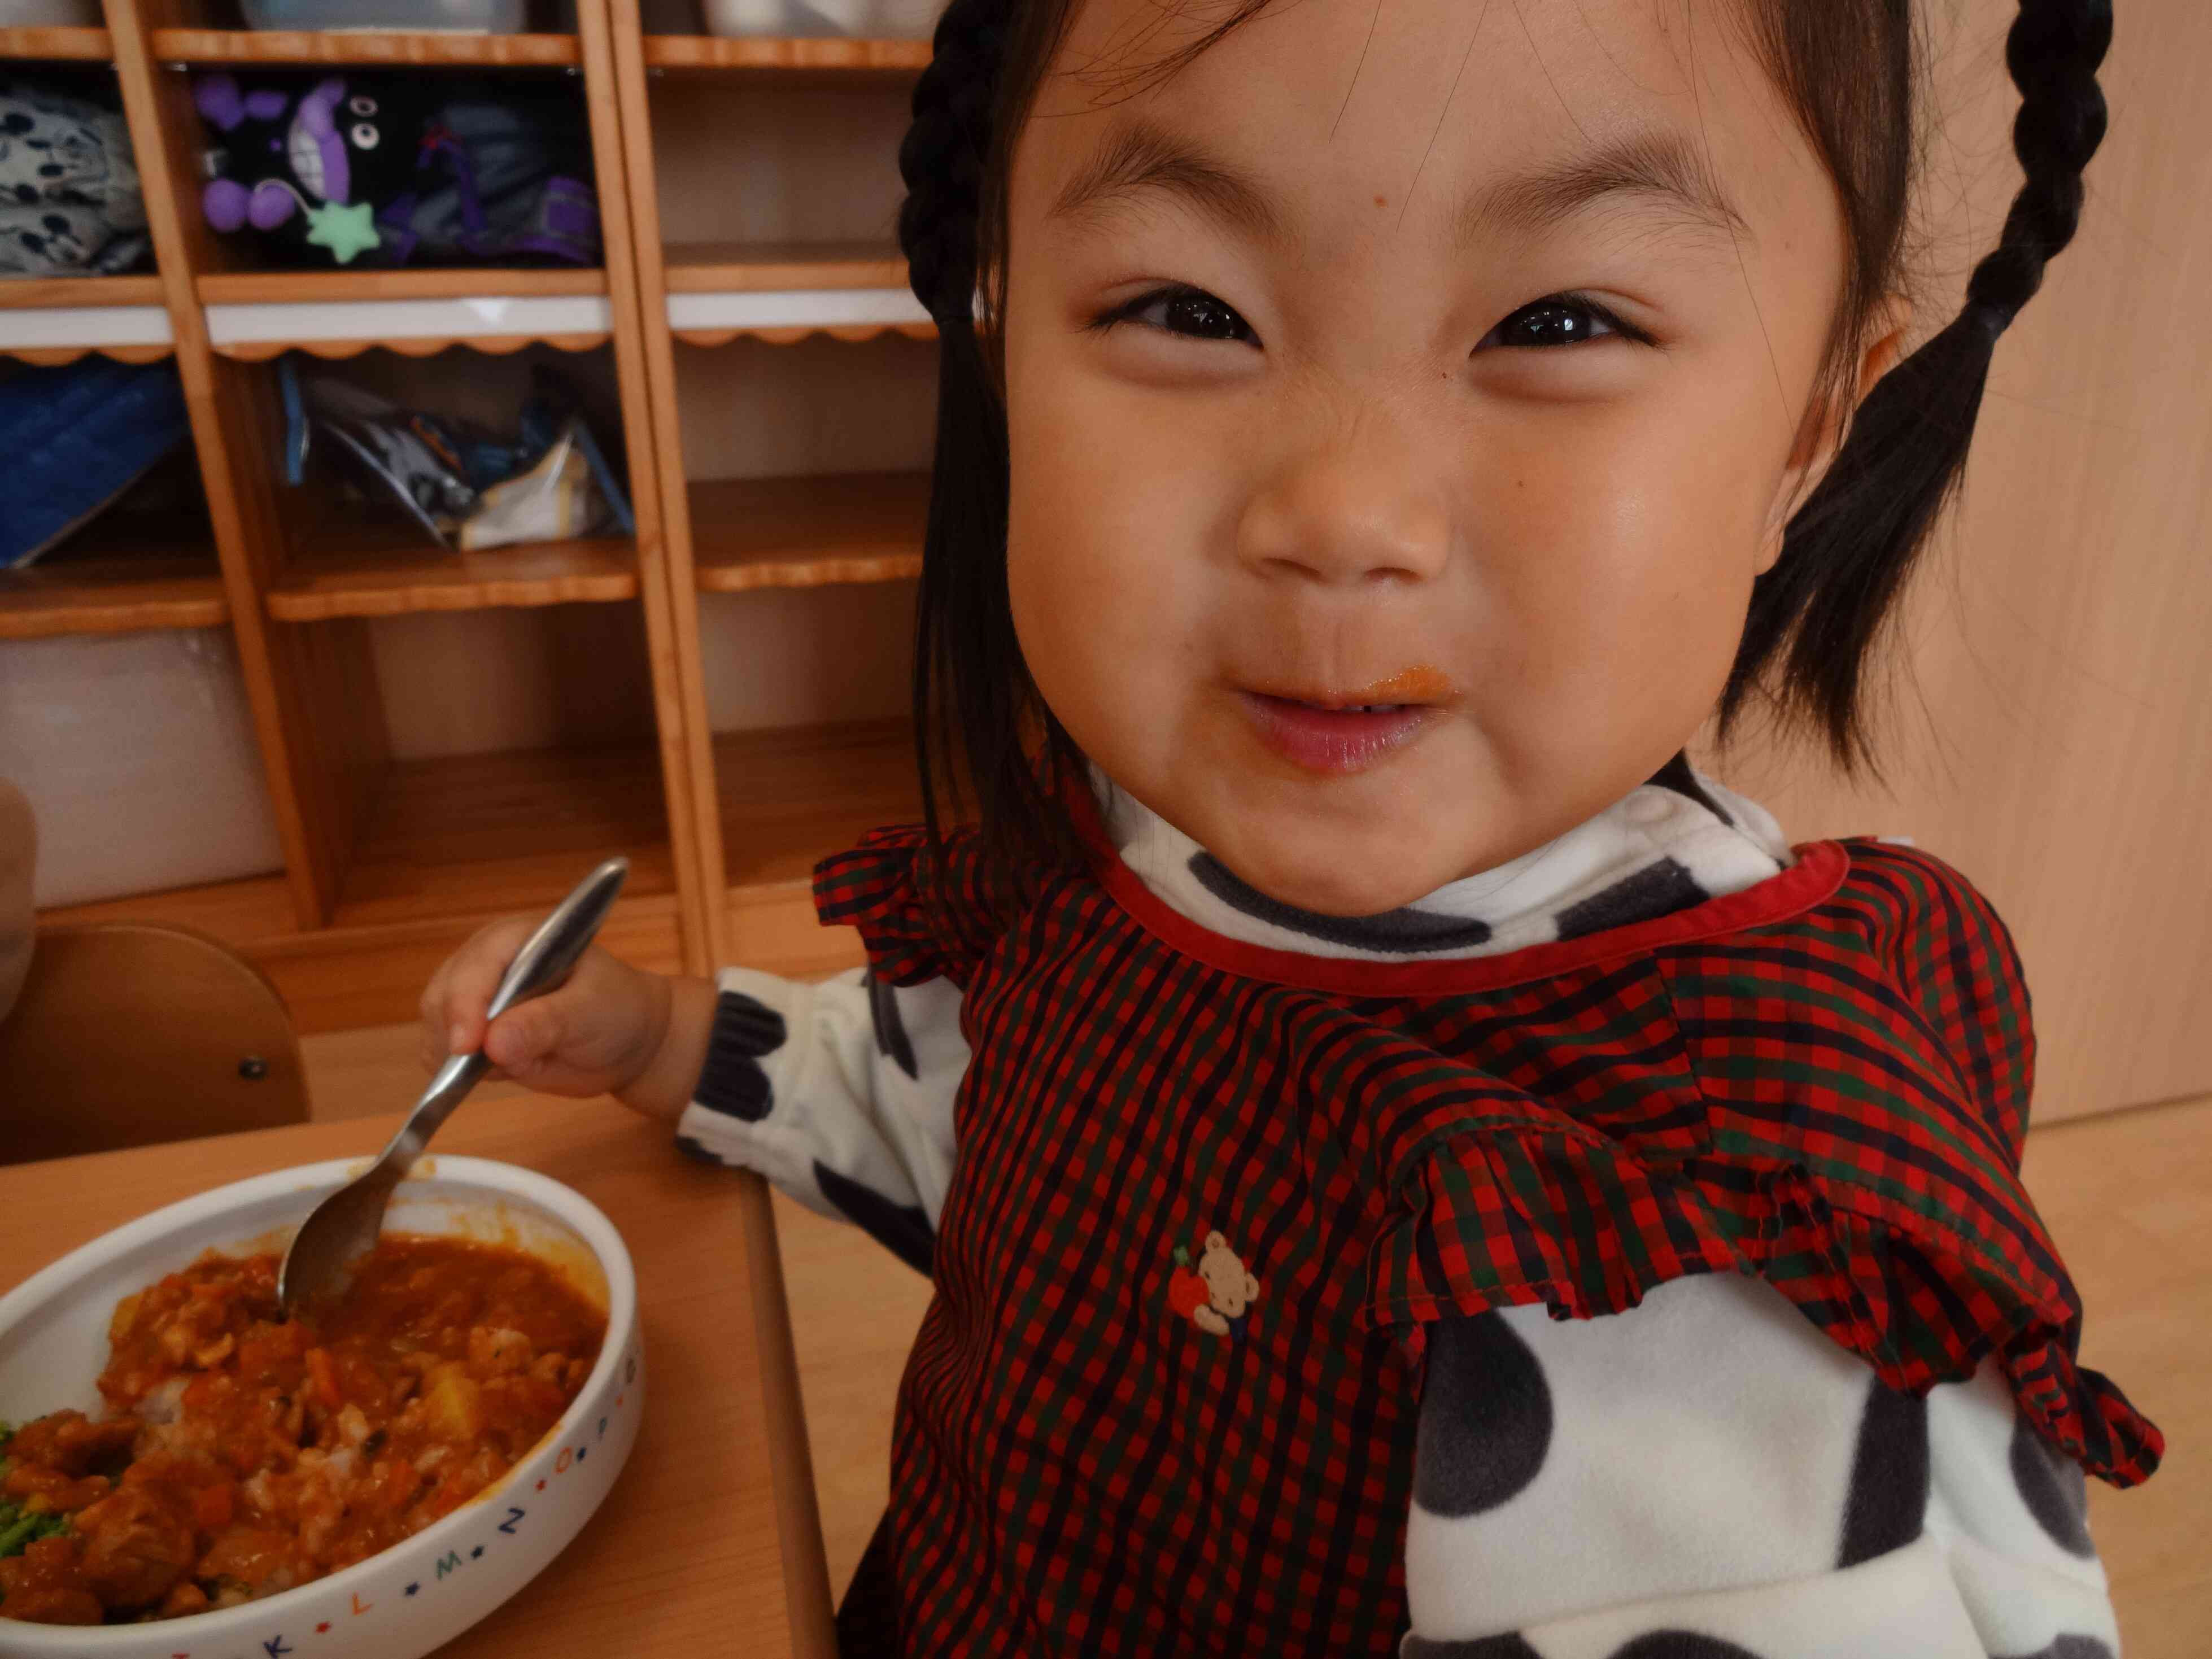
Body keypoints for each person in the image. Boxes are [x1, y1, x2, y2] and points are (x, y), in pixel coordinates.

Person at [421, 0, 2158, 1651]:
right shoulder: (1126, 850)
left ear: (1808, 432)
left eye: (1558, 323)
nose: (1341, 516)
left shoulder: (1699, 1243)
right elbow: (973, 1122)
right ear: (1005, 329)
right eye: (1188, 308)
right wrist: (669, 1038)